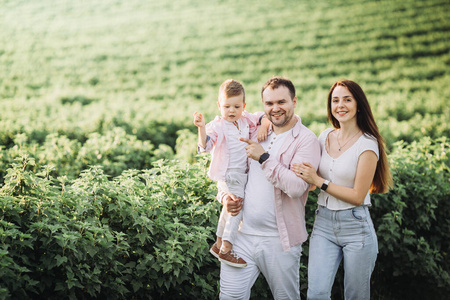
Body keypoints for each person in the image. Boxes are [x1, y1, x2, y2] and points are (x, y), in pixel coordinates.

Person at [218, 76, 321, 300]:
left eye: (281, 102)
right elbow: (229, 166)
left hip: (279, 241)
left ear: (294, 101)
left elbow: (296, 187)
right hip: (241, 235)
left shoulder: (306, 140)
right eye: (269, 104)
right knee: (229, 297)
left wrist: (264, 158)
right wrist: (225, 195)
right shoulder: (254, 130)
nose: (275, 109)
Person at [292, 80, 393, 300]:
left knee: (355, 296)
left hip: (356, 227)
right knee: (316, 294)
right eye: (335, 100)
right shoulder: (324, 135)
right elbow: (310, 180)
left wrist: (319, 181)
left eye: (347, 99)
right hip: (324, 224)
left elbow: (358, 196)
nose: (341, 105)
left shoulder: (368, 144)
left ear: (359, 105)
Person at [194, 79, 271, 268]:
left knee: (229, 209)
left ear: (243, 106)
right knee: (238, 207)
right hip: (228, 173)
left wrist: (264, 124)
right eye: (227, 106)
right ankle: (227, 249)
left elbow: (262, 116)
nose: (231, 111)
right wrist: (201, 128)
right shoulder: (218, 125)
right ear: (219, 105)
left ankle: (218, 243)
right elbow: (205, 145)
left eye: (236, 106)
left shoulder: (245, 119)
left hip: (242, 174)